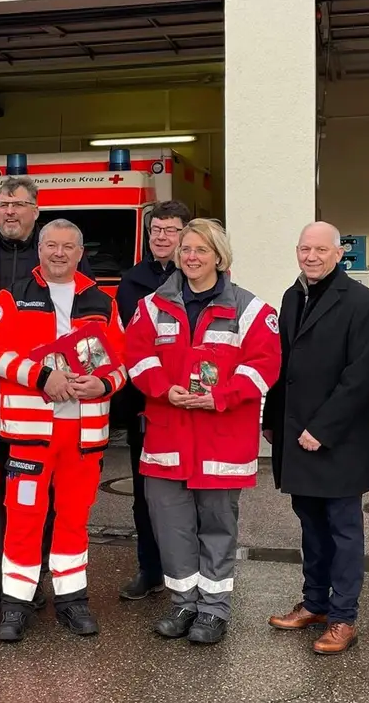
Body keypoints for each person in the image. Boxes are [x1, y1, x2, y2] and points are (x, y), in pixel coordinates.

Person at [122, 218, 280, 644]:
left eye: (201, 250)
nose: (191, 257)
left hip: (220, 440)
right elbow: (135, 357)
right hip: (168, 437)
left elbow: (264, 367)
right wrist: (163, 389)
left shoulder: (250, 310)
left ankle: (213, 610)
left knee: (216, 528)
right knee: (171, 528)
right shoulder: (152, 306)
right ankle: (183, 603)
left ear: (219, 257)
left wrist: (221, 396)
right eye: (186, 249)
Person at [0, 219, 125, 642]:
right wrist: (41, 376)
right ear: (39, 250)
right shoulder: (12, 297)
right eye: (51, 245)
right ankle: (15, 606)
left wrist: (104, 383)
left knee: (74, 520)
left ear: (81, 253)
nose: (59, 253)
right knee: (25, 519)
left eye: (68, 246)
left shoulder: (102, 301)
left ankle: (72, 601)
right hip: (31, 433)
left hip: (83, 435)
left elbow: (121, 362)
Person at [262, 222, 369, 656]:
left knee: (343, 530)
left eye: (321, 249)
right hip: (294, 434)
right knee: (310, 526)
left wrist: (322, 429)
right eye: (304, 248)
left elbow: (359, 376)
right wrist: (270, 418)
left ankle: (343, 618)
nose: (311, 256)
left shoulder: (360, 302)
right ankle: (315, 603)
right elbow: (282, 364)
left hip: (334, 439)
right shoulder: (291, 295)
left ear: (340, 254)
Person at [111, 199, 192, 601]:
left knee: (192, 490)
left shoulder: (201, 274)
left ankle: (191, 570)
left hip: (193, 403)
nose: (162, 237)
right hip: (146, 403)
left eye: (171, 230)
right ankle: (150, 568)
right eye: (156, 230)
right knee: (146, 491)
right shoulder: (132, 281)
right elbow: (133, 345)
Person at [0, 175, 93, 290]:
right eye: (3, 205)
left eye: (18, 204)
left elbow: (87, 295)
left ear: (35, 212)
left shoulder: (59, 252)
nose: (9, 211)